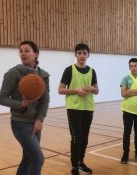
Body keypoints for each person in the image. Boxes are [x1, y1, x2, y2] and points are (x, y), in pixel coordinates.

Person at [0, 41, 50, 175]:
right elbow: (2, 98)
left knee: (28, 159)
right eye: (21, 51)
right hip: (20, 123)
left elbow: (45, 99)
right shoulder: (13, 73)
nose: (23, 54)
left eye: (27, 50)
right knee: (38, 159)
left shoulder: (43, 75)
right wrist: (22, 104)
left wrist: (40, 119)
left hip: (35, 123)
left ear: (36, 54)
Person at [58, 43, 99, 175]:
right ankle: (74, 166)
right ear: (75, 54)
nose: (82, 55)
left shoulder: (92, 71)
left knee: (85, 138)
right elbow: (61, 90)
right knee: (77, 138)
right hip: (74, 108)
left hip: (88, 108)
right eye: (79, 53)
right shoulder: (69, 70)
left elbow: (97, 90)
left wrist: (91, 89)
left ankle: (81, 162)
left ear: (88, 55)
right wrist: (77, 91)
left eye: (84, 53)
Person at [120, 58, 137, 164]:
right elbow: (123, 93)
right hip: (127, 109)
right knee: (127, 132)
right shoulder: (125, 79)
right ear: (129, 67)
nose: (133, 68)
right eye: (131, 66)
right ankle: (125, 153)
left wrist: (130, 90)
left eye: (135, 66)